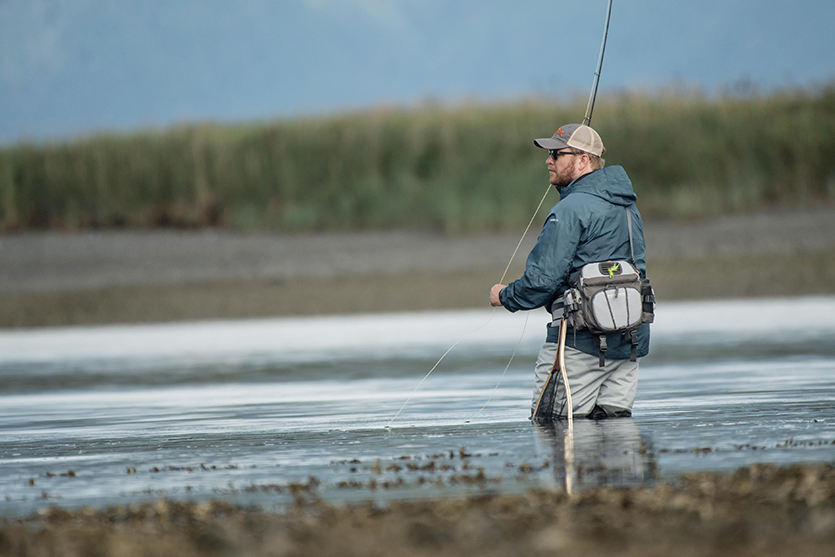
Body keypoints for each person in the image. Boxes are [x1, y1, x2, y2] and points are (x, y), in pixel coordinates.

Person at [489, 123, 650, 419]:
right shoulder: (629, 207)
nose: (548, 160)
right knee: (616, 445)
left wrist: (504, 296)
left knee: (553, 429)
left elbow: (541, 282)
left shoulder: (569, 210)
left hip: (578, 345)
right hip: (631, 344)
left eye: (556, 154)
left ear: (583, 160)